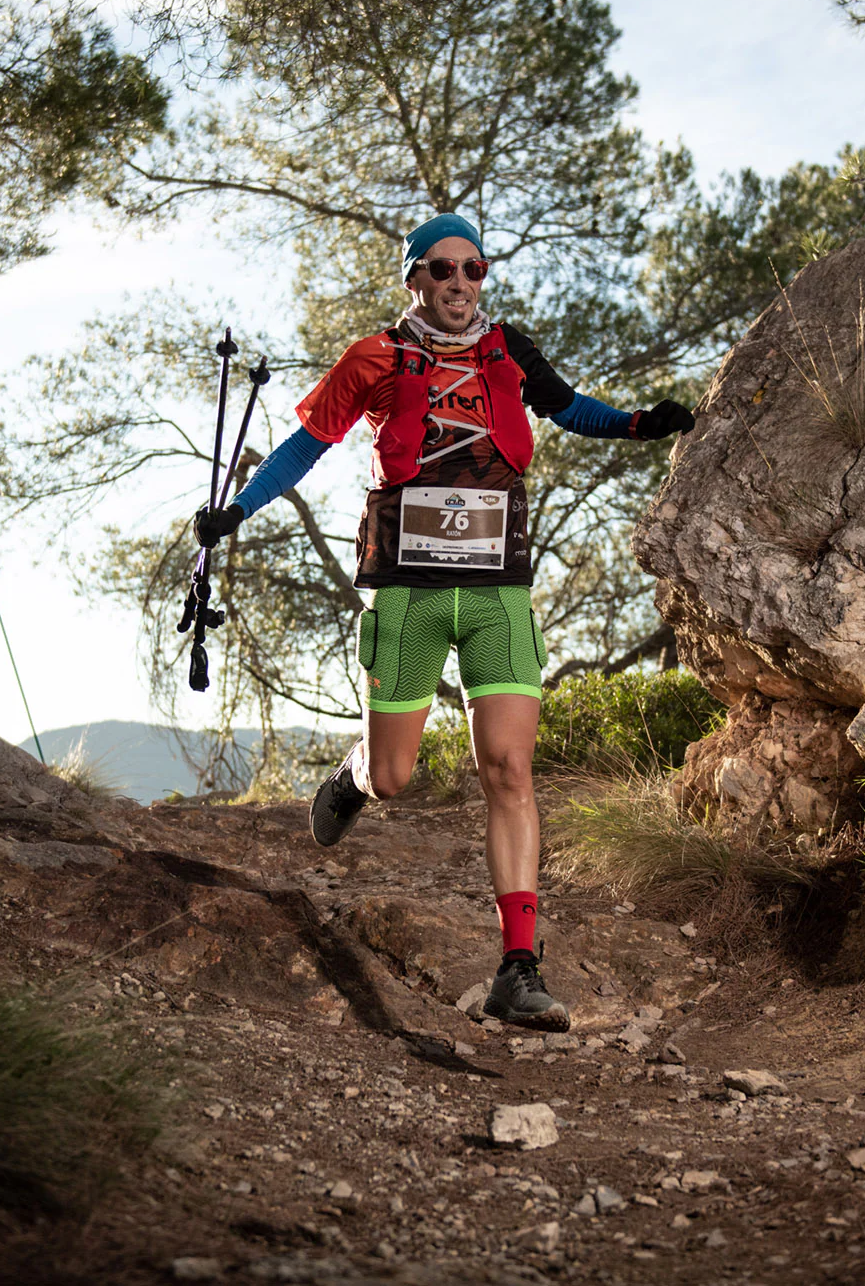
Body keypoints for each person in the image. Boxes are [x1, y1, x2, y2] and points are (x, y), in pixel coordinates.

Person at [194, 214, 695, 1032]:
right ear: (415, 280)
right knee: (395, 776)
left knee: (507, 767)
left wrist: (642, 423)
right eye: (442, 270)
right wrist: (235, 510)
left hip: (500, 587)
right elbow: (304, 446)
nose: (460, 283)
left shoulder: (512, 350)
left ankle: (519, 967)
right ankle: (353, 777)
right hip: (407, 588)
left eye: (473, 269)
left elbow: (572, 411)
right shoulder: (373, 358)